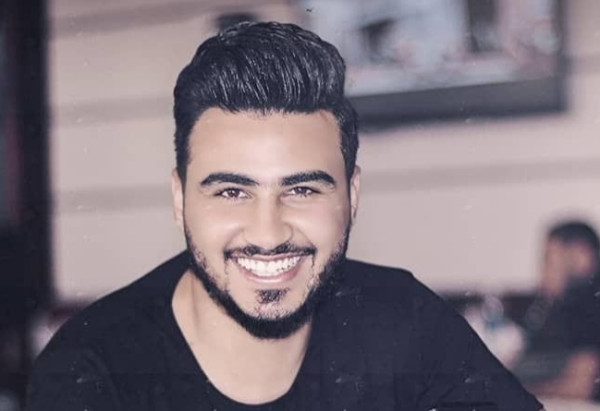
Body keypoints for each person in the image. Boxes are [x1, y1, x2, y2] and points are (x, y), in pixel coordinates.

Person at [27, 21, 543, 411]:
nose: (269, 232)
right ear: (180, 199)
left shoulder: (403, 319)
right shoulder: (94, 371)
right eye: (232, 191)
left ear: (352, 195)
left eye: (301, 189)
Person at [514, 220, 600, 400]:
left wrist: (511, 391)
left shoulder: (588, 304)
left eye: (549, 261)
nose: (543, 273)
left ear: (581, 255)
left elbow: (580, 388)